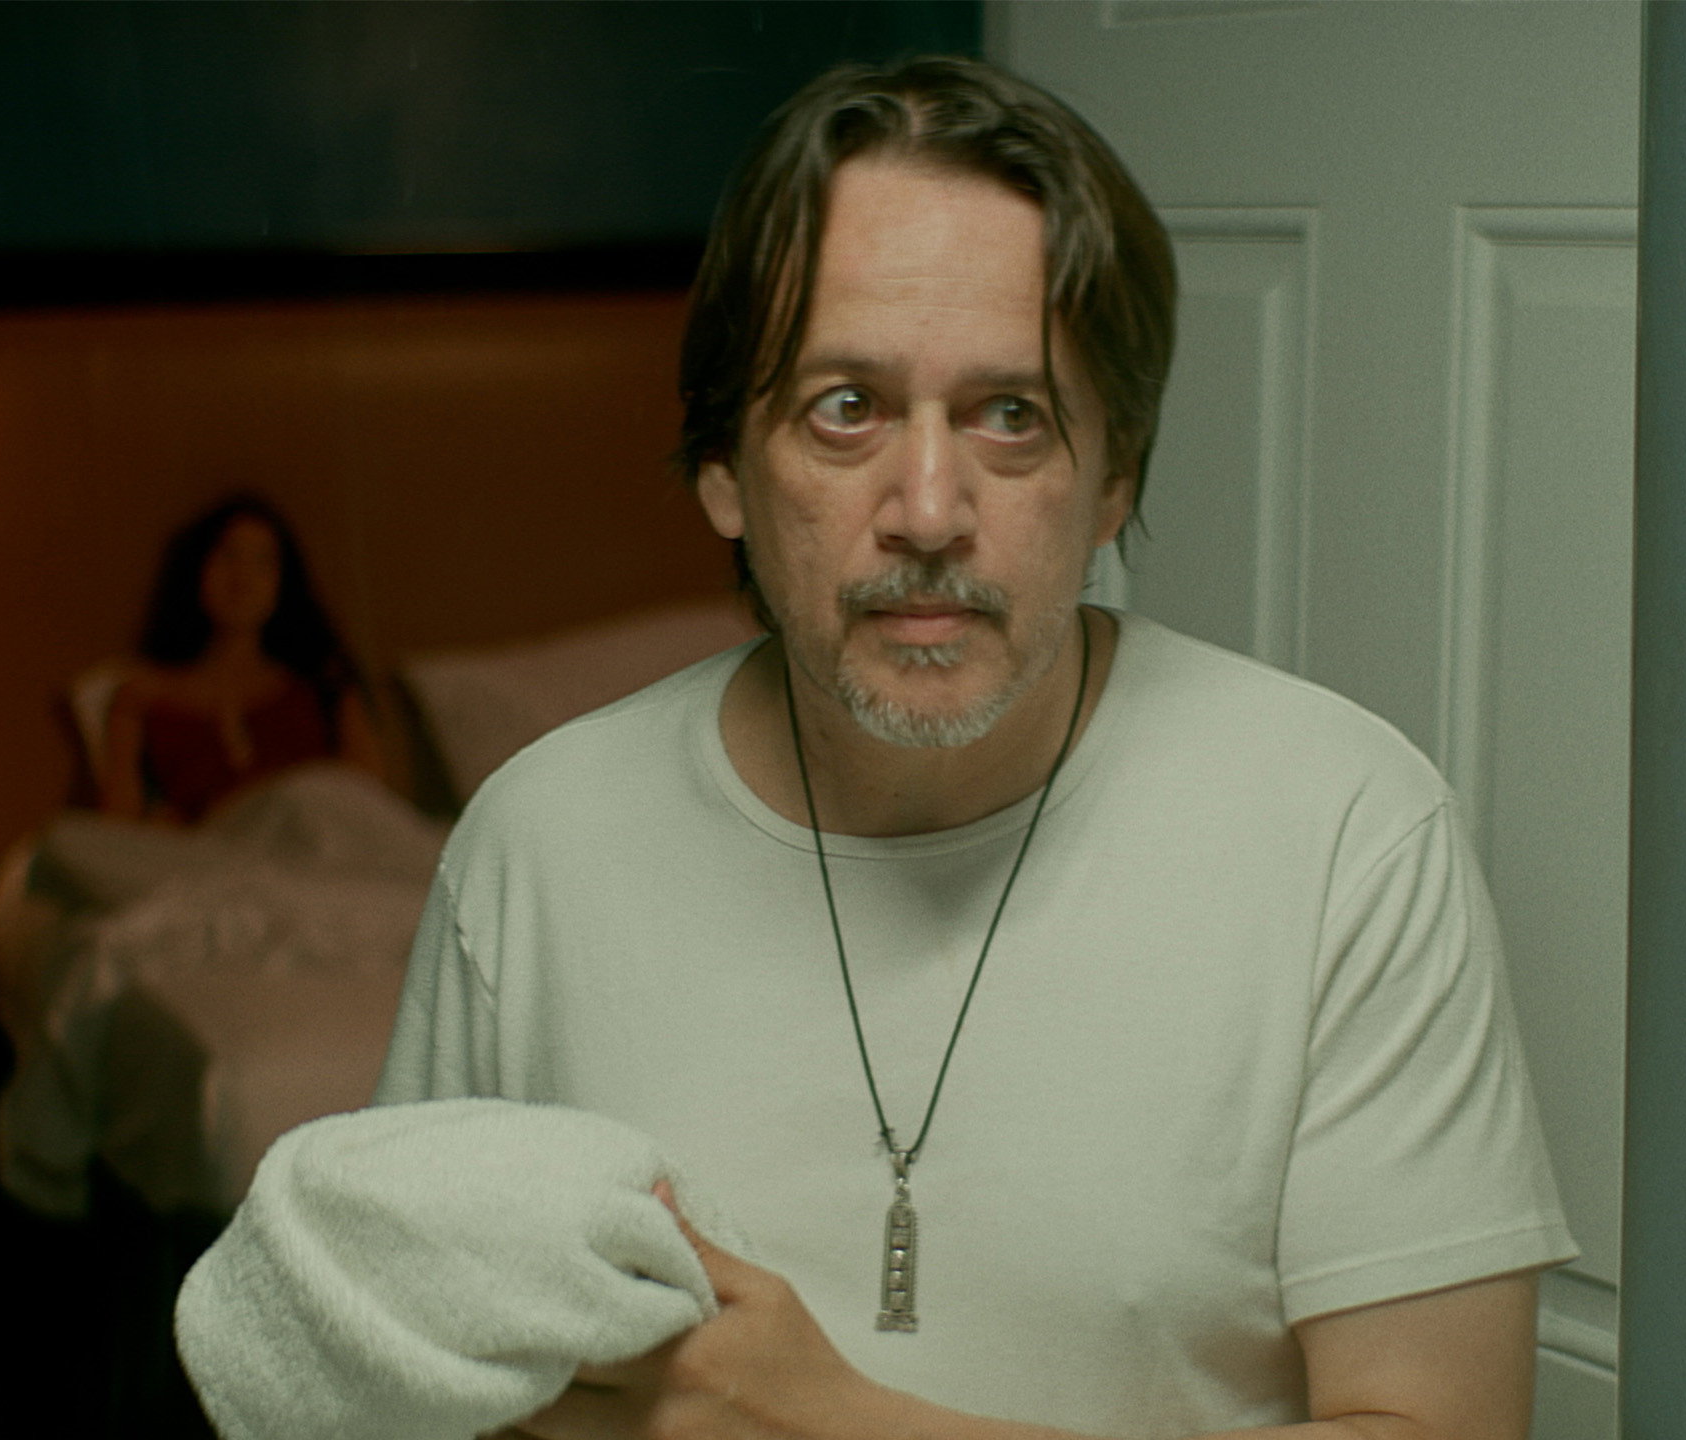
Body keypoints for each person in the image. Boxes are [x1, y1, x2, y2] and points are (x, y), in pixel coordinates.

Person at [378, 57, 1573, 1439]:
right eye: (846, 408)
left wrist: (827, 1421)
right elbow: (402, 1377)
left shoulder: (1344, 835)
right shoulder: (538, 848)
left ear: (1113, 475)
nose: (930, 510)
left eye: (1011, 415)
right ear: (723, 470)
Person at [98, 494, 396, 824]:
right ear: (197, 568)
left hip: (317, 839)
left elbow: (370, 801)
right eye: (228, 556)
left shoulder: (321, 679)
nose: (243, 577)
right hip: (214, 848)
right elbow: (118, 829)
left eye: (263, 562)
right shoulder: (145, 696)